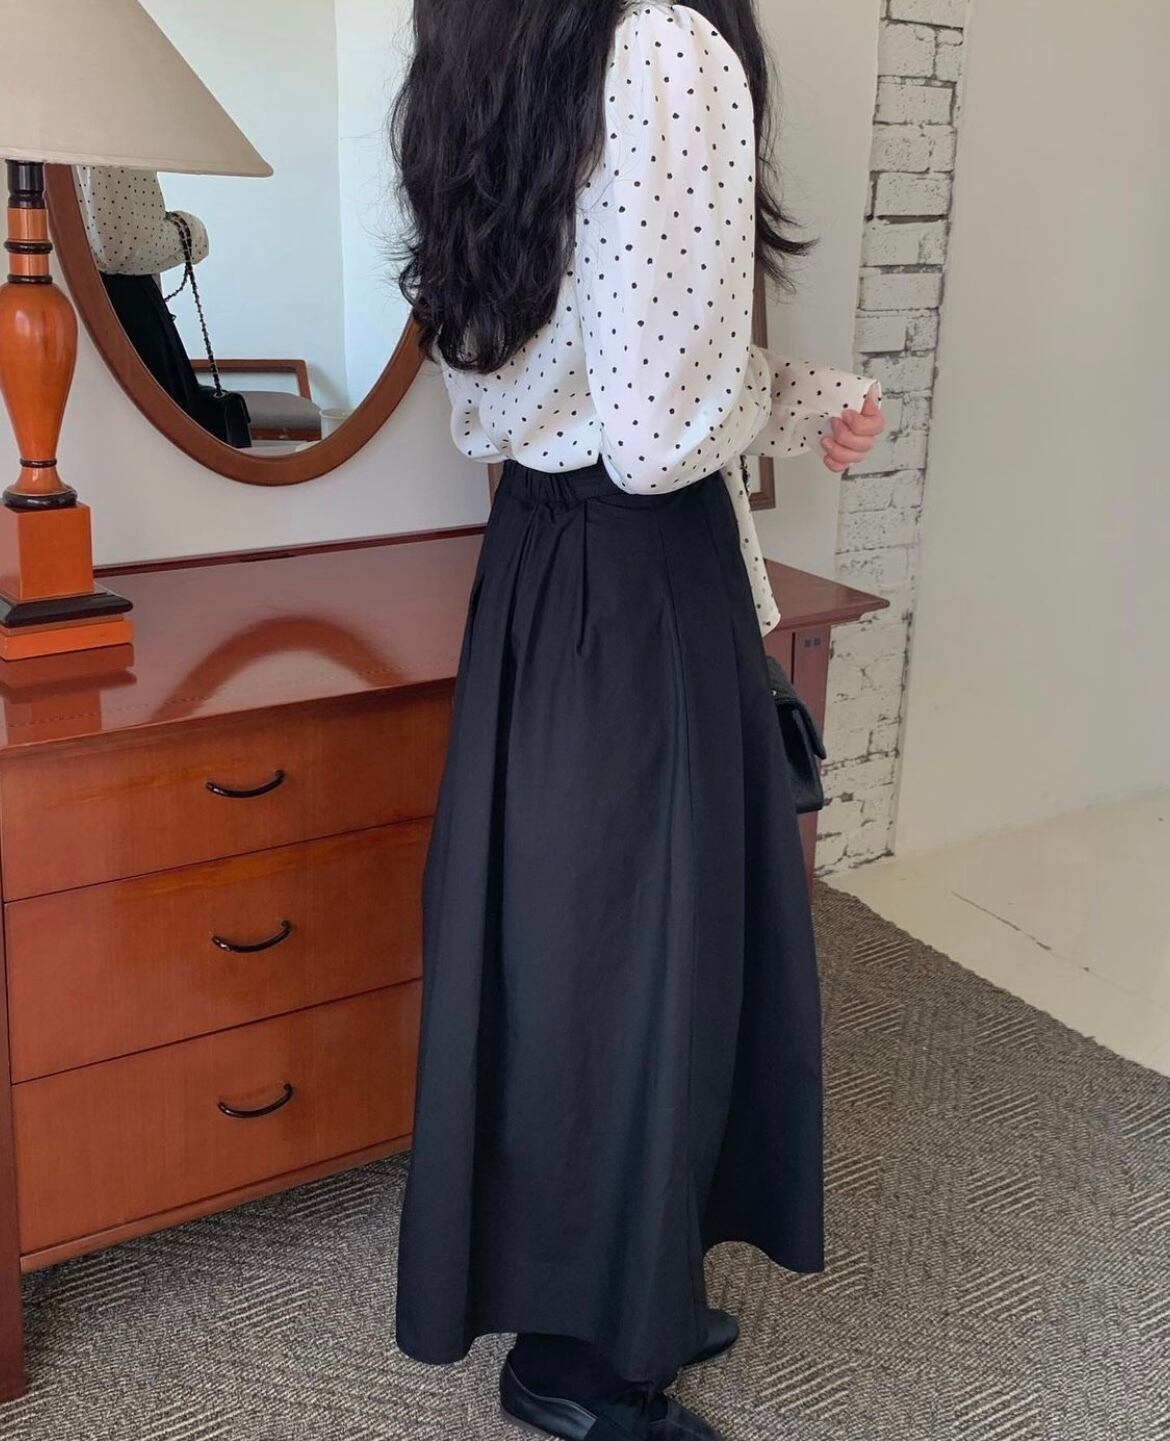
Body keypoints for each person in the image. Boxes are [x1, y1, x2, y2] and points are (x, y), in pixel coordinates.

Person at [390, 3, 885, 1438]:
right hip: (640, 565)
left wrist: (785, 398)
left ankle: (612, 1295)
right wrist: (782, 397)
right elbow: (665, 429)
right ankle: (582, 1368)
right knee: (648, 961)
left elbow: (531, 385)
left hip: (539, 555)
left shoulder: (482, 49)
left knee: (571, 952)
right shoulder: (665, 46)